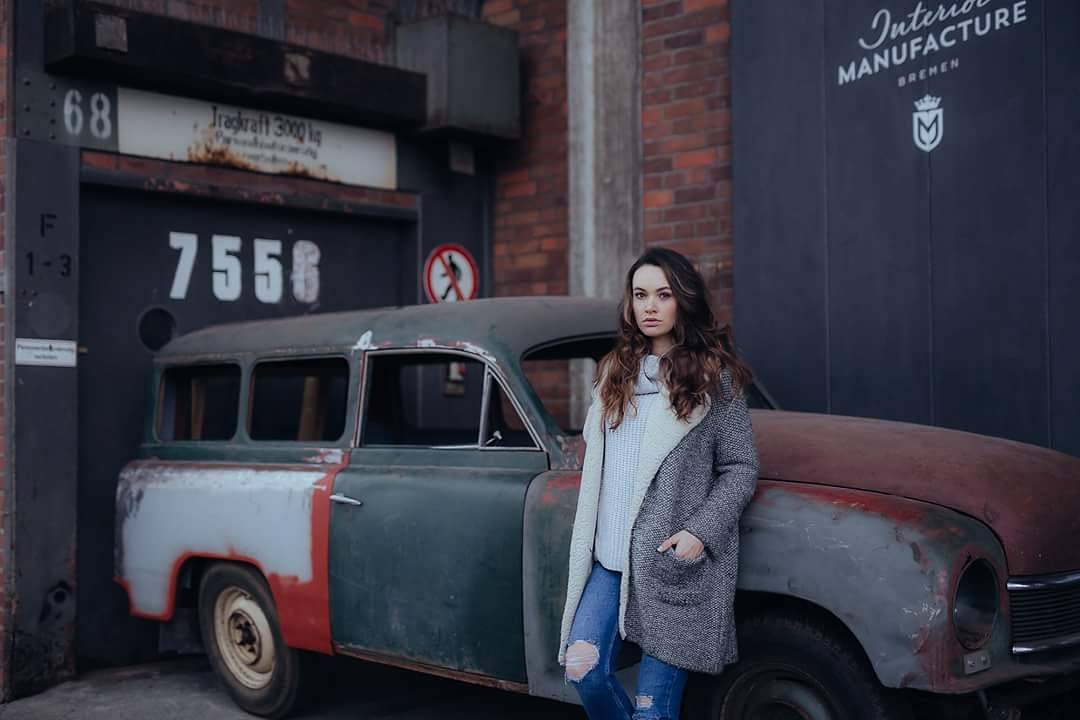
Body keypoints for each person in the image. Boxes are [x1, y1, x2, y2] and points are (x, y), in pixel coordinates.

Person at [557, 247, 760, 720]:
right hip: (609, 561)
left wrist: (699, 533)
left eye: (663, 295)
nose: (650, 306)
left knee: (653, 711)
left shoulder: (714, 379)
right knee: (584, 670)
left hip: (668, 563)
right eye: (640, 295)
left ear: (683, 301)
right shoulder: (614, 375)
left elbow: (741, 467)